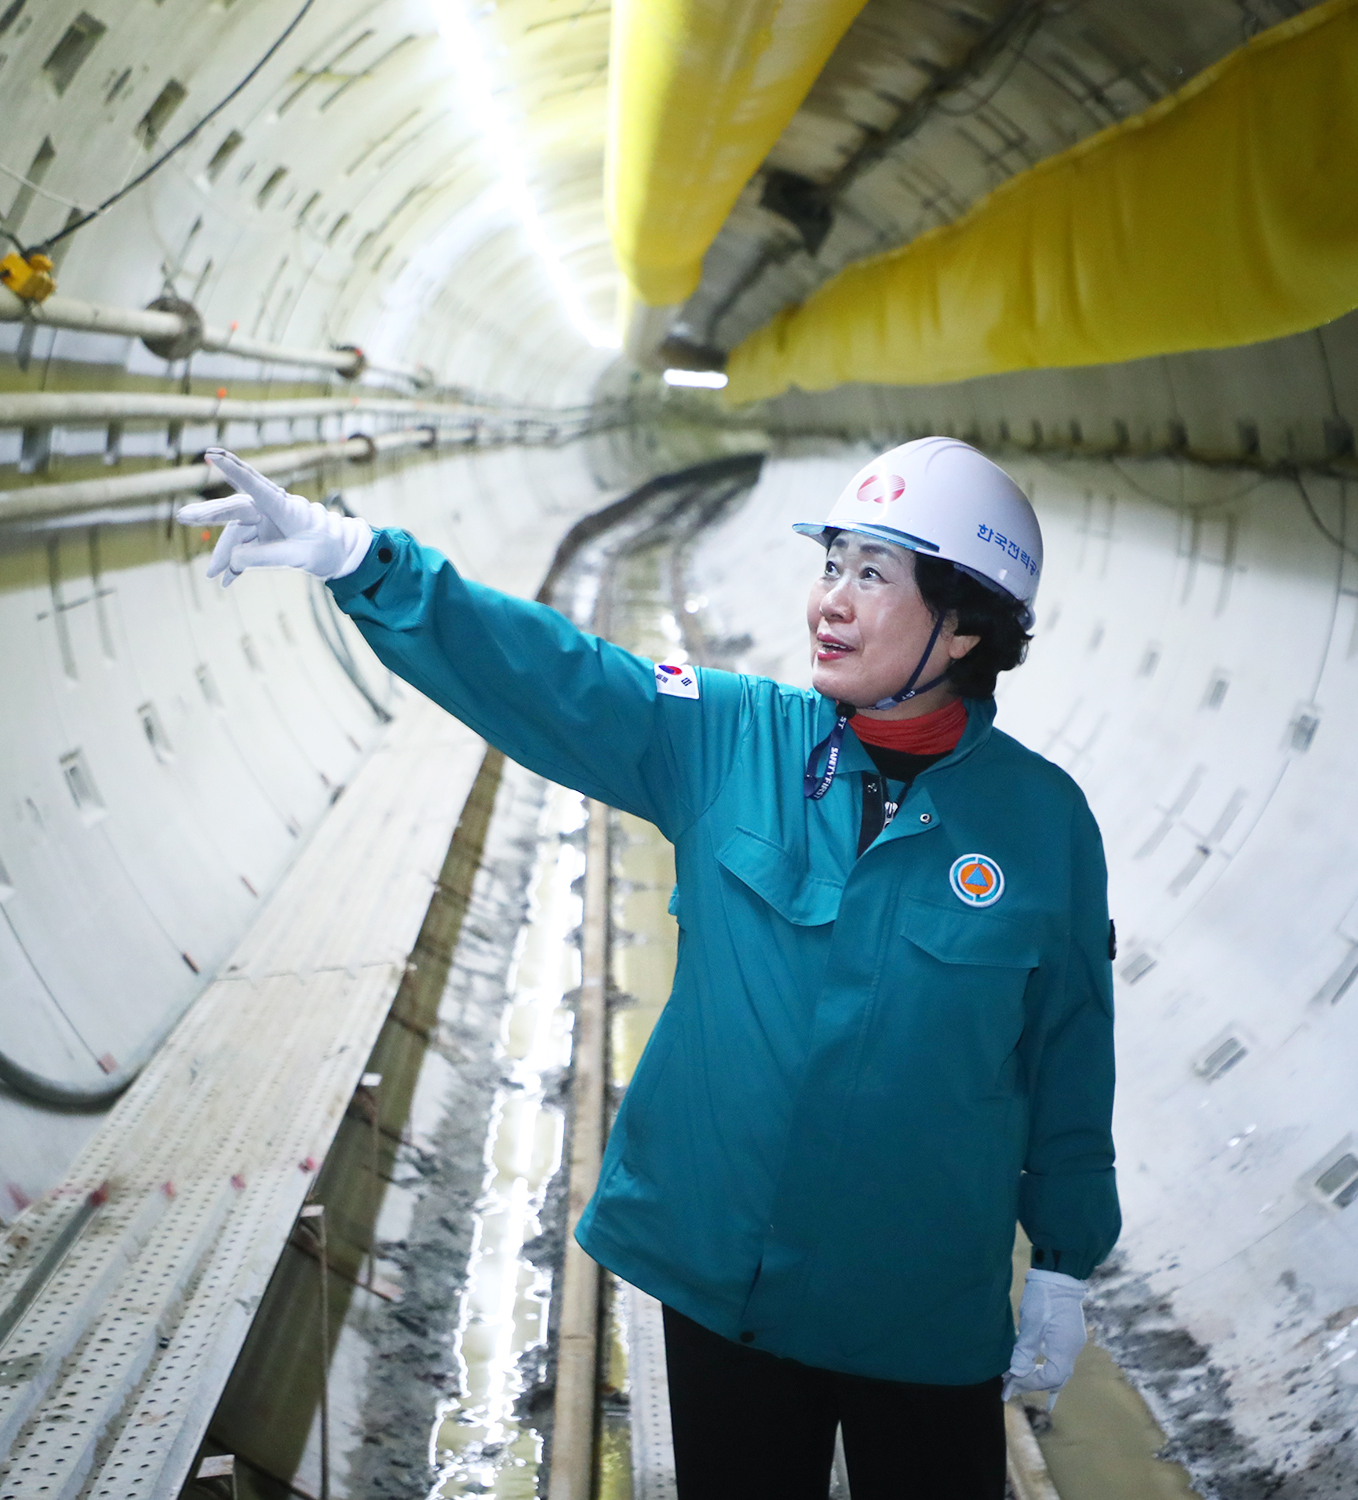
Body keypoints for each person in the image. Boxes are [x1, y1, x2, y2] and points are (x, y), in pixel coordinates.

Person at [180, 437, 1119, 1500]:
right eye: (831, 564)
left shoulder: (1043, 825)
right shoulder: (736, 737)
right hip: (728, 1284)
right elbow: (559, 678)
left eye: (872, 574)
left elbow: (1070, 1051)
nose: (830, 601)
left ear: (964, 623)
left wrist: (1064, 1258)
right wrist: (364, 561)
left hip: (921, 1305)